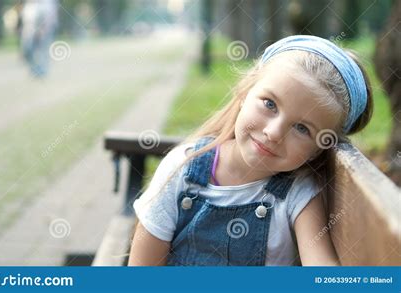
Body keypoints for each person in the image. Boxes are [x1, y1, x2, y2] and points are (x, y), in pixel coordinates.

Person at [128, 35, 373, 266]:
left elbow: (321, 266)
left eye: (301, 128)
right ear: (245, 92)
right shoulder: (183, 168)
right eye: (270, 104)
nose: (274, 133)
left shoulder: (298, 195)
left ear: (318, 151)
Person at [20, 0, 58, 78]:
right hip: (29, 32)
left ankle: (42, 72)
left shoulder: (47, 3)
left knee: (43, 51)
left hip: (44, 30)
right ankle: (35, 69)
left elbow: (50, 16)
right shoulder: (29, 5)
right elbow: (26, 19)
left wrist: (43, 29)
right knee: (28, 51)